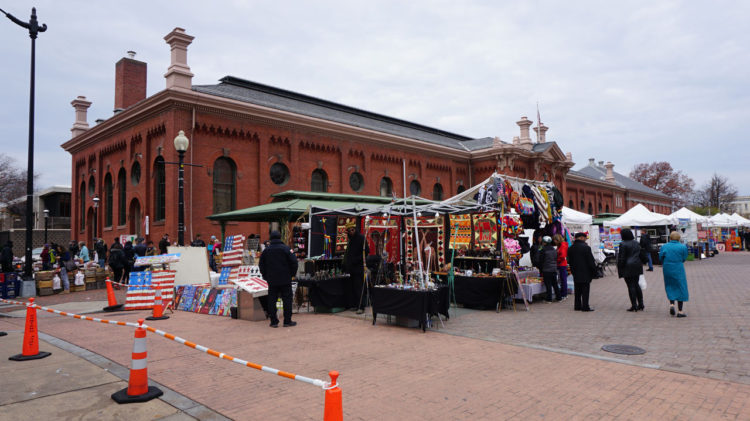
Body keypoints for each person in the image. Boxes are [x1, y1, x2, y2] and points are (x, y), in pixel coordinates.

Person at [258, 230, 298, 328]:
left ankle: (274, 321)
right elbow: (294, 262)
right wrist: (291, 274)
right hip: (285, 278)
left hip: (272, 279)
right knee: (287, 299)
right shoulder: (286, 249)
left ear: (270, 238)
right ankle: (287, 321)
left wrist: (265, 276)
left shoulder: (266, 250)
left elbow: (261, 265)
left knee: (272, 300)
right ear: (280, 237)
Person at [660, 231, 689, 318]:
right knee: (681, 286)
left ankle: (672, 304)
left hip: (667, 267)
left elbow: (661, 257)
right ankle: (680, 311)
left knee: (670, 285)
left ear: (670, 238)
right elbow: (684, 258)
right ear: (679, 238)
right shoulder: (682, 247)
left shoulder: (664, 246)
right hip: (678, 267)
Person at [343, 221, 369, 313]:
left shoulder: (361, 238)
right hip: (351, 268)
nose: (351, 232)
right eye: (349, 230)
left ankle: (361, 307)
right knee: (353, 288)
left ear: (355, 229)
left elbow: (366, 252)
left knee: (359, 288)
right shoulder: (351, 240)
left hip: (359, 267)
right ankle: (355, 305)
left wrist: (356, 260)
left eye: (352, 230)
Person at [567, 232, 596, 311]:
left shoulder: (571, 248)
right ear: (581, 238)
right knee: (585, 290)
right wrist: (594, 271)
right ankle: (585, 306)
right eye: (585, 238)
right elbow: (591, 261)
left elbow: (569, 260)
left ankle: (577, 306)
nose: (585, 239)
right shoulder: (586, 247)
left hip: (575, 271)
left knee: (577, 289)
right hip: (585, 271)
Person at [618, 228, 645, 312]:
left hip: (627, 266)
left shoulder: (623, 244)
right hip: (637, 265)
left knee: (630, 286)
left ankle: (634, 305)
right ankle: (641, 304)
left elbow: (622, 257)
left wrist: (620, 266)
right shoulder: (636, 243)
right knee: (636, 284)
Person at [538, 236, 562, 302]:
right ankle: (559, 297)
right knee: (555, 284)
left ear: (544, 242)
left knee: (548, 284)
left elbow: (541, 260)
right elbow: (556, 258)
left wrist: (540, 267)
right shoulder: (554, 249)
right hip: (554, 269)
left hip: (546, 269)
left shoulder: (543, 250)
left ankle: (549, 299)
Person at [553, 234, 568, 300]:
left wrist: (557, 261)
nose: (554, 242)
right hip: (560, 264)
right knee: (561, 279)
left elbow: (562, 256)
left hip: (561, 264)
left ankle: (564, 294)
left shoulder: (562, 245)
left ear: (558, 240)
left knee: (563, 279)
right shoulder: (561, 245)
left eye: (555, 240)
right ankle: (563, 293)